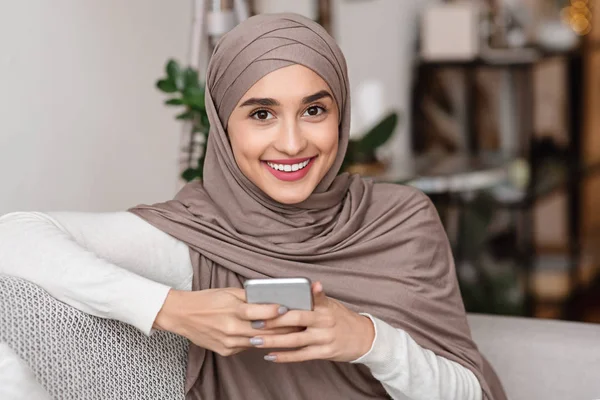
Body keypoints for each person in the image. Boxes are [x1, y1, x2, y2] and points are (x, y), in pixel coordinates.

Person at [0, 12, 507, 400]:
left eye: (314, 110)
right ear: (223, 126)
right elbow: (13, 235)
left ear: (341, 115)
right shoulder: (198, 232)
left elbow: (469, 391)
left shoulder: (402, 219)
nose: (292, 143)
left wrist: (367, 339)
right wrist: (170, 310)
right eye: (262, 114)